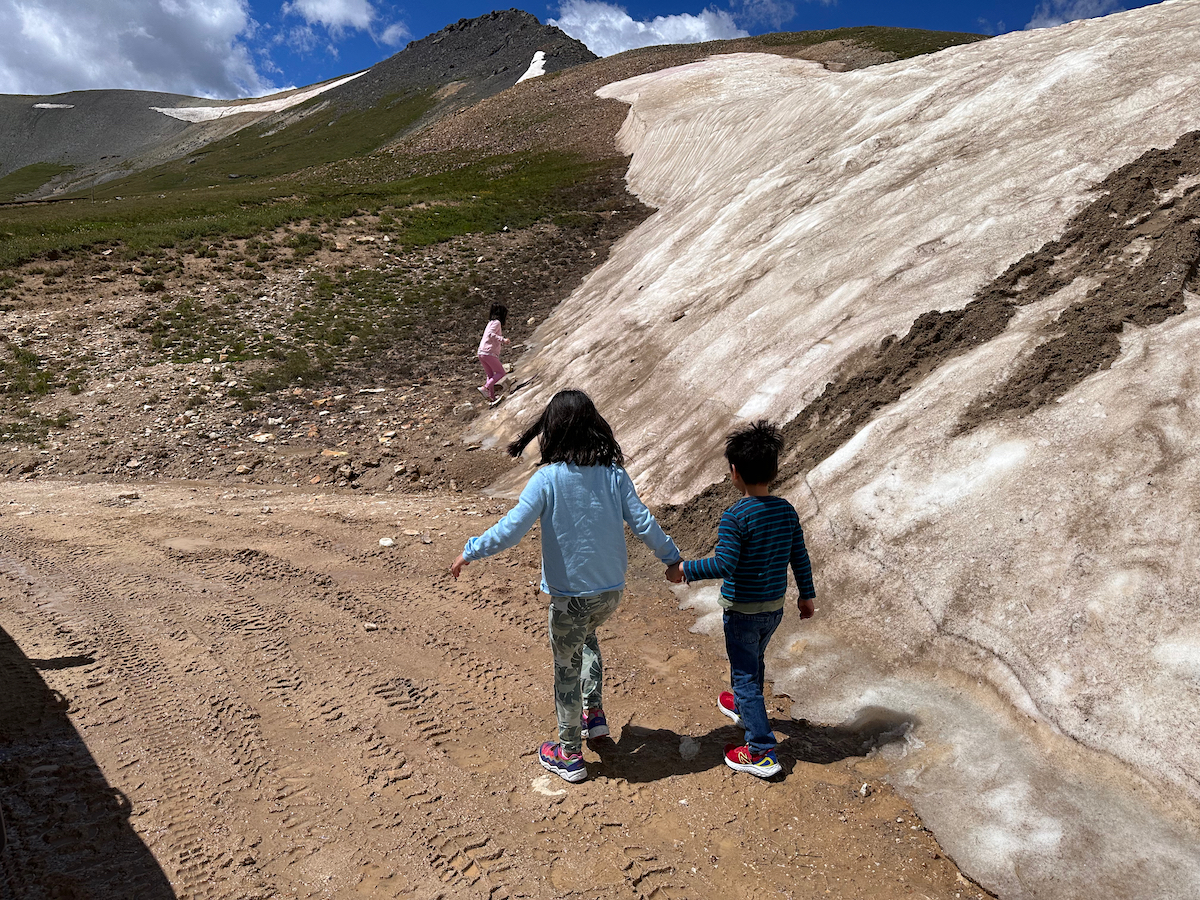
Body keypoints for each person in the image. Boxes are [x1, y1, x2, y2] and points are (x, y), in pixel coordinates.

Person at [450, 390, 682, 783]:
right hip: (609, 593)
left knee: (566, 669)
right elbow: (643, 521)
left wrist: (470, 550)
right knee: (586, 638)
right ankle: (595, 716)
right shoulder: (614, 474)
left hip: (571, 598)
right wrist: (672, 558)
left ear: (552, 431)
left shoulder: (547, 479)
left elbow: (511, 530)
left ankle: (569, 754)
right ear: (595, 426)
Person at [666, 420, 815, 779]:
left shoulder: (735, 516)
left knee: (746, 675)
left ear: (734, 472)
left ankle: (761, 750)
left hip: (742, 612)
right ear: (774, 469)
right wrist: (806, 595)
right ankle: (747, 707)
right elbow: (799, 556)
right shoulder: (786, 510)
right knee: (753, 661)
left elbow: (724, 564)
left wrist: (685, 569)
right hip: (773, 609)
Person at [477, 302, 510, 402]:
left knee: (490, 375)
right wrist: (503, 340)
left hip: (481, 352)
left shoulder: (490, 322)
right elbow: (491, 334)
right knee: (501, 372)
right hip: (489, 352)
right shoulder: (497, 323)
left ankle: (491, 397)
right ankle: (485, 388)